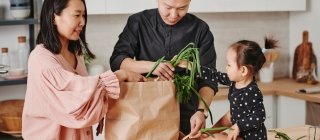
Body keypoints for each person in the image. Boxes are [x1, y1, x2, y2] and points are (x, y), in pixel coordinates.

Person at [22, 0, 146, 139]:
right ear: (53, 17)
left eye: (84, 15)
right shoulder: (40, 59)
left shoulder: (76, 53)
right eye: (76, 15)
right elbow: (74, 97)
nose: (82, 22)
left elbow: (87, 98)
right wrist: (119, 75)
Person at [109, 0, 218, 137]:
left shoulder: (200, 30)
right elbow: (118, 61)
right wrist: (152, 66)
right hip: (144, 113)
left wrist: (201, 111)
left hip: (187, 117)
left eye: (182, 8)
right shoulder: (138, 22)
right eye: (168, 7)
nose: (173, 15)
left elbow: (208, 79)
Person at [198, 38, 278, 140]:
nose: (226, 67)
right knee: (215, 136)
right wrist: (195, 69)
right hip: (240, 136)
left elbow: (260, 115)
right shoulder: (234, 81)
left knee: (216, 138)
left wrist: (238, 126)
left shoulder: (251, 92)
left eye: (229, 64)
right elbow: (215, 76)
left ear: (243, 70)